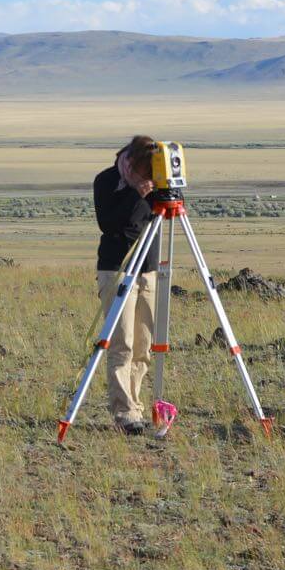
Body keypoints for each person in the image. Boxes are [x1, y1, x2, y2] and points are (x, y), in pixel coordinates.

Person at [92, 135, 159, 435]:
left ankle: (136, 405)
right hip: (117, 269)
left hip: (148, 270)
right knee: (122, 343)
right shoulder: (106, 181)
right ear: (130, 163)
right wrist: (135, 194)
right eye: (145, 170)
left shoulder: (156, 181)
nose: (148, 177)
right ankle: (123, 412)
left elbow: (166, 212)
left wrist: (157, 190)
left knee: (143, 346)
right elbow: (109, 224)